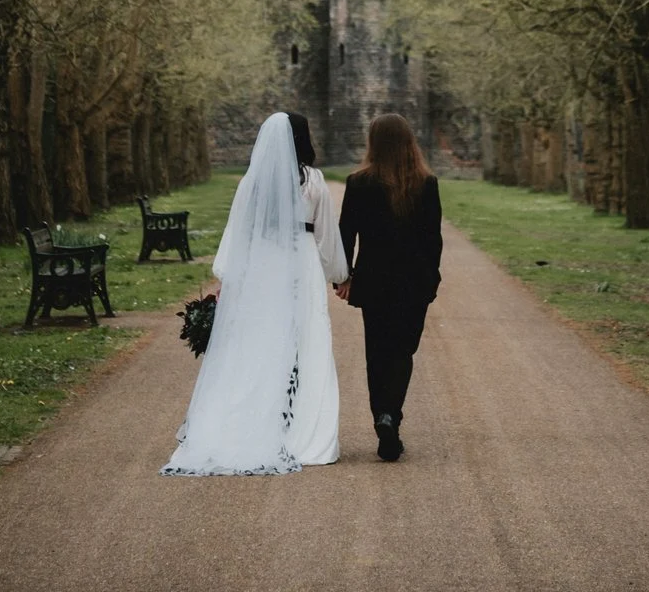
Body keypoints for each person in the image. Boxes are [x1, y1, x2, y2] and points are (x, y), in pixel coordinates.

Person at [161, 109, 347, 476]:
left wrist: (228, 280)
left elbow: (237, 235)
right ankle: (307, 433)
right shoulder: (313, 181)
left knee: (262, 343)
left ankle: (257, 423)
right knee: (308, 342)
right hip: (303, 264)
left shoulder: (251, 183)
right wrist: (339, 274)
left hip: (264, 266)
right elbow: (326, 235)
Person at [337, 111, 442, 464]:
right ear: (409, 142)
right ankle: (390, 416)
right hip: (413, 281)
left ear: (374, 142)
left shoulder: (358, 182)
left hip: (374, 280)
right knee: (402, 352)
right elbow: (433, 240)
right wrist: (432, 278)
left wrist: (344, 275)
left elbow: (345, 233)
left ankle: (381, 415)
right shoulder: (426, 184)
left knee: (377, 352)